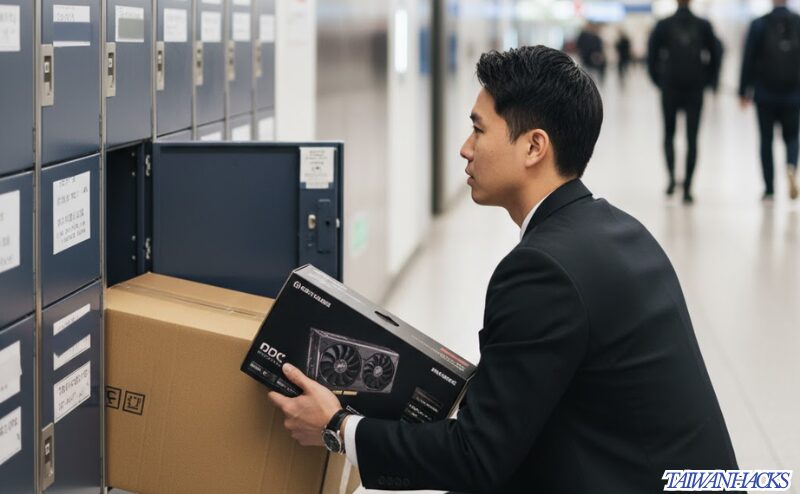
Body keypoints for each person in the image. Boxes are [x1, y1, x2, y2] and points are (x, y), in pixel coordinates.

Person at [268, 46, 738, 493]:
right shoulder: (616, 228)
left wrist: (338, 427)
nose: (465, 149)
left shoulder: (542, 270)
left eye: (479, 129)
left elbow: (479, 456)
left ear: (534, 147)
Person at [647, 0, 722, 204]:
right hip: (694, 89)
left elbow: (652, 55)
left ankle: (671, 179)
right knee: (692, 137)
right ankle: (688, 187)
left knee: (669, 133)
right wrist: (708, 81)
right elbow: (716, 54)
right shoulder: (703, 24)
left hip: (670, 87)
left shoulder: (663, 24)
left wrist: (659, 81)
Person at [739, 0, 800, 201]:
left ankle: (769, 189)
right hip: (793, 94)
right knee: (792, 137)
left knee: (766, 141)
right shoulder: (798, 22)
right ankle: (791, 165)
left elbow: (748, 58)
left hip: (765, 94)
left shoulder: (759, 24)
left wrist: (743, 91)